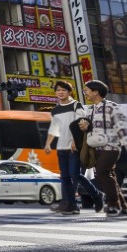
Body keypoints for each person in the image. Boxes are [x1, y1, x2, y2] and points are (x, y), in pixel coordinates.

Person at [78, 80, 127, 218]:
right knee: (110, 176)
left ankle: (112, 204)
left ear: (96, 92)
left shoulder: (112, 107)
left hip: (111, 147)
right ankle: (123, 206)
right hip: (95, 148)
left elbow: (122, 128)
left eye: (87, 90)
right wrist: (85, 127)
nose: (85, 92)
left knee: (102, 173)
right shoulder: (89, 109)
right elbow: (88, 128)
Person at [44, 80, 96, 215]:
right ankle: (70, 205)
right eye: (58, 90)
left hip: (74, 147)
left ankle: (96, 195)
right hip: (61, 147)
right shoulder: (55, 109)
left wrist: (74, 140)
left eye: (63, 90)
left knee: (74, 174)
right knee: (65, 177)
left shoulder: (76, 105)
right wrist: (48, 144)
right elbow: (54, 128)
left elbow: (82, 123)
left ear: (69, 92)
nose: (60, 92)